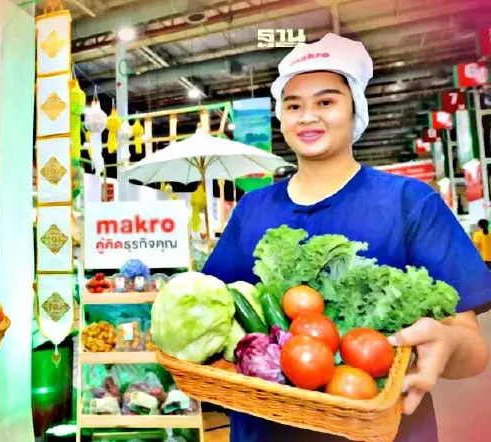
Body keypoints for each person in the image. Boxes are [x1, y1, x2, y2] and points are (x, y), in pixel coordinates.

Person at [203, 34, 491, 442]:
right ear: (280, 118)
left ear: (355, 108)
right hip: (265, 430)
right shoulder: (251, 209)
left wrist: (445, 341)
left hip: (384, 432)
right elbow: (220, 310)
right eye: (293, 105)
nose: (307, 117)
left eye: (326, 101)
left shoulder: (410, 203)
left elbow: (474, 353)